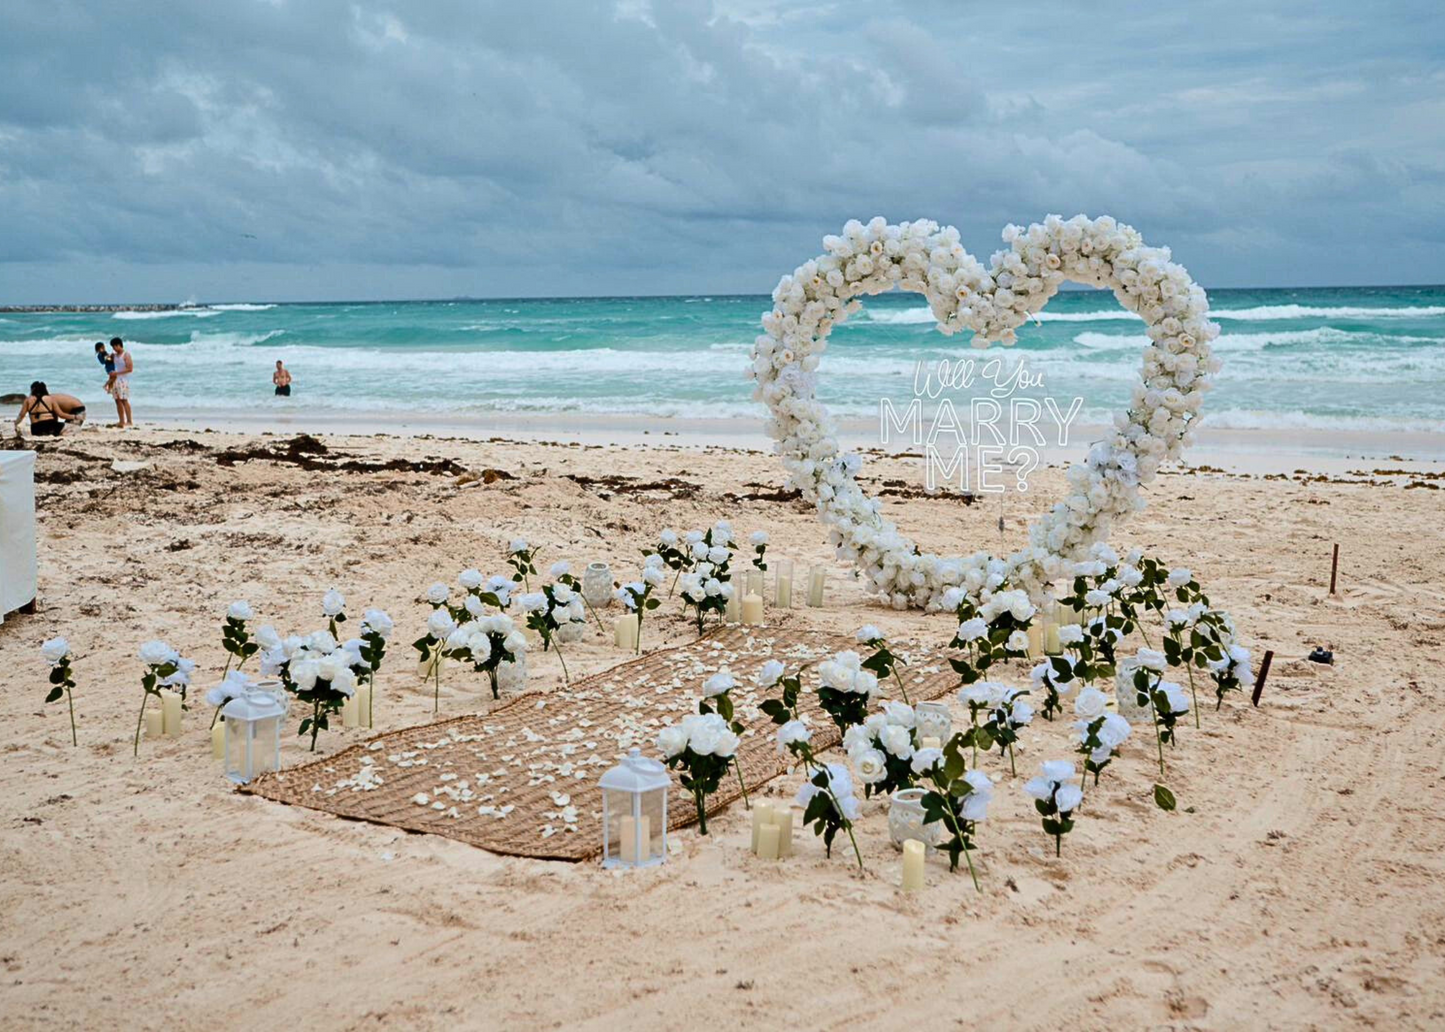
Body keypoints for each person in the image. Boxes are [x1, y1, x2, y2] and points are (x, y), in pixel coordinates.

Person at [12, 381, 86, 437]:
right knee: (76, 428)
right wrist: (75, 417)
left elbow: (21, 415)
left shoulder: (27, 400)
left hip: (35, 429)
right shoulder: (50, 399)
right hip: (51, 427)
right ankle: (63, 436)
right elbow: (61, 415)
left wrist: (15, 424)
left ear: (32, 390)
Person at [104, 337, 134, 428]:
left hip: (122, 380)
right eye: (112, 347)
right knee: (117, 401)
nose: (114, 349)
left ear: (119, 345)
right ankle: (121, 420)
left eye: (114, 346)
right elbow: (106, 361)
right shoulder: (114, 355)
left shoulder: (126, 355)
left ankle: (129, 421)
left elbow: (130, 369)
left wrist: (117, 373)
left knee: (124, 400)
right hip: (115, 380)